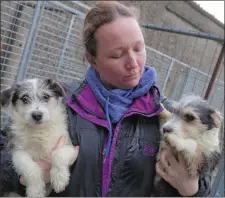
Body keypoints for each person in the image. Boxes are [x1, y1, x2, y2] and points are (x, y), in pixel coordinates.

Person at [0, 1, 212, 197]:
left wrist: (192, 190)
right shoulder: (60, 101)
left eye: (138, 48)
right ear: (92, 59)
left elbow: (202, 174)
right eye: (117, 55)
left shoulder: (167, 113)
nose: (133, 63)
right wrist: (24, 175)